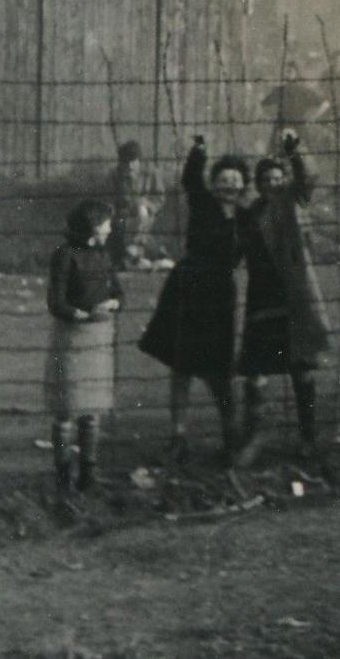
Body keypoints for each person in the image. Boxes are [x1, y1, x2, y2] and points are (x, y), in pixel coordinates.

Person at [137, 137, 246, 462]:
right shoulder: (203, 204)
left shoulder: (247, 217)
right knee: (181, 366)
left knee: (220, 371)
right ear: (213, 185)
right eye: (223, 180)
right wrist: (197, 154)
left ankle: (231, 436)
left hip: (220, 297)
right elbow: (190, 180)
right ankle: (178, 437)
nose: (228, 185)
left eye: (235, 181)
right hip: (189, 288)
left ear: (243, 186)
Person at [235, 129, 333, 464]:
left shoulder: (295, 203)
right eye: (267, 180)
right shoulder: (249, 214)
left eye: (278, 178)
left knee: (301, 369)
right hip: (262, 297)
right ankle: (254, 436)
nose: (273, 184)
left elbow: (308, 177)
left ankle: (308, 437)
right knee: (255, 371)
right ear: (258, 184)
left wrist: (295, 149)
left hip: (296, 296)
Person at [45, 200, 122, 494]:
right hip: (73, 337)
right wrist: (77, 314)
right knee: (66, 408)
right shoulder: (65, 255)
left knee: (93, 409)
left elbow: (117, 291)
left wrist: (114, 302)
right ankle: (63, 472)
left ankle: (89, 472)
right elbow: (56, 300)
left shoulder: (104, 255)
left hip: (98, 336)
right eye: (106, 223)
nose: (110, 229)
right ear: (92, 225)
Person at [106, 139, 167, 270]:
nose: (130, 166)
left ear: (139, 160)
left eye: (133, 161)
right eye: (125, 162)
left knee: (141, 211)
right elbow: (109, 200)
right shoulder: (115, 175)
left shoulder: (152, 173)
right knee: (123, 224)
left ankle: (133, 255)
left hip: (146, 214)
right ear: (121, 163)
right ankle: (150, 256)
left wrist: (147, 204)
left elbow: (160, 198)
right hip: (122, 215)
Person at [260, 61, 330, 155]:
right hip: (281, 126)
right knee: (274, 154)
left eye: (290, 71)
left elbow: (325, 104)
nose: (287, 74)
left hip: (298, 126)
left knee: (304, 156)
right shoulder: (279, 90)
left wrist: (312, 117)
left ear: (296, 73)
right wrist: (272, 116)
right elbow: (264, 104)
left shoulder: (303, 90)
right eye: (285, 72)